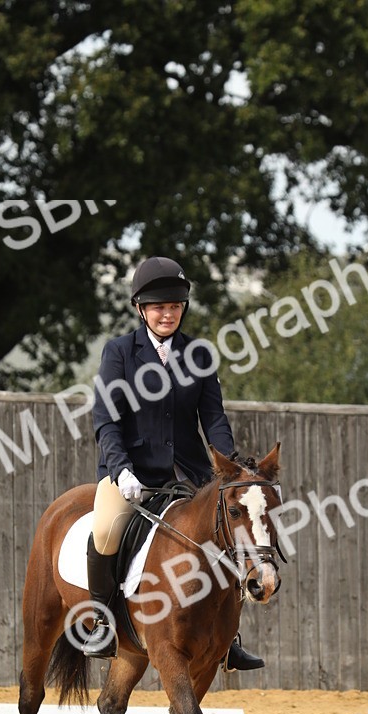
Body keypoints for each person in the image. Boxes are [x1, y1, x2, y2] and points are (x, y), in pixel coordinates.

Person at [82, 254, 264, 671]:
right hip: (132, 472)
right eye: (160, 307)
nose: (168, 314)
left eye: (175, 306)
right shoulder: (120, 353)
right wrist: (120, 467)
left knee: (228, 532)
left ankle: (229, 636)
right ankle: (102, 621)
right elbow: (106, 419)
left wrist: (229, 467)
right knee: (106, 529)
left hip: (191, 474)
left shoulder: (198, 355)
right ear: (141, 309)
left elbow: (213, 418)